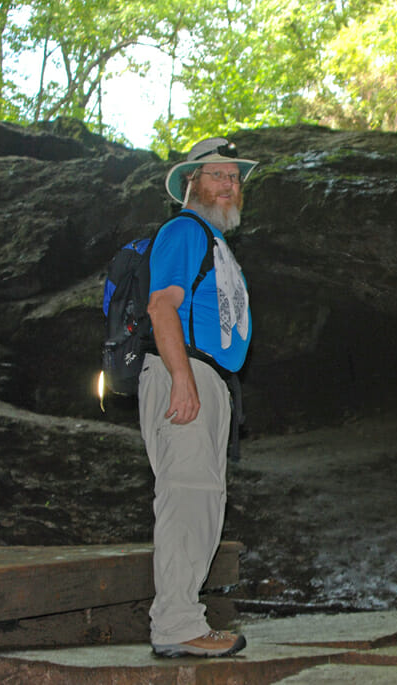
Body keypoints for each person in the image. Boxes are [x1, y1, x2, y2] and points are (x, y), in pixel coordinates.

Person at [139, 137, 255, 658]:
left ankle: (183, 618)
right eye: (217, 176)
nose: (228, 185)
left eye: (234, 178)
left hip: (208, 379)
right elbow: (162, 306)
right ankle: (176, 625)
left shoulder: (215, 242)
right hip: (182, 371)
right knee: (187, 494)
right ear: (191, 183)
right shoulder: (184, 230)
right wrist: (181, 377)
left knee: (204, 498)